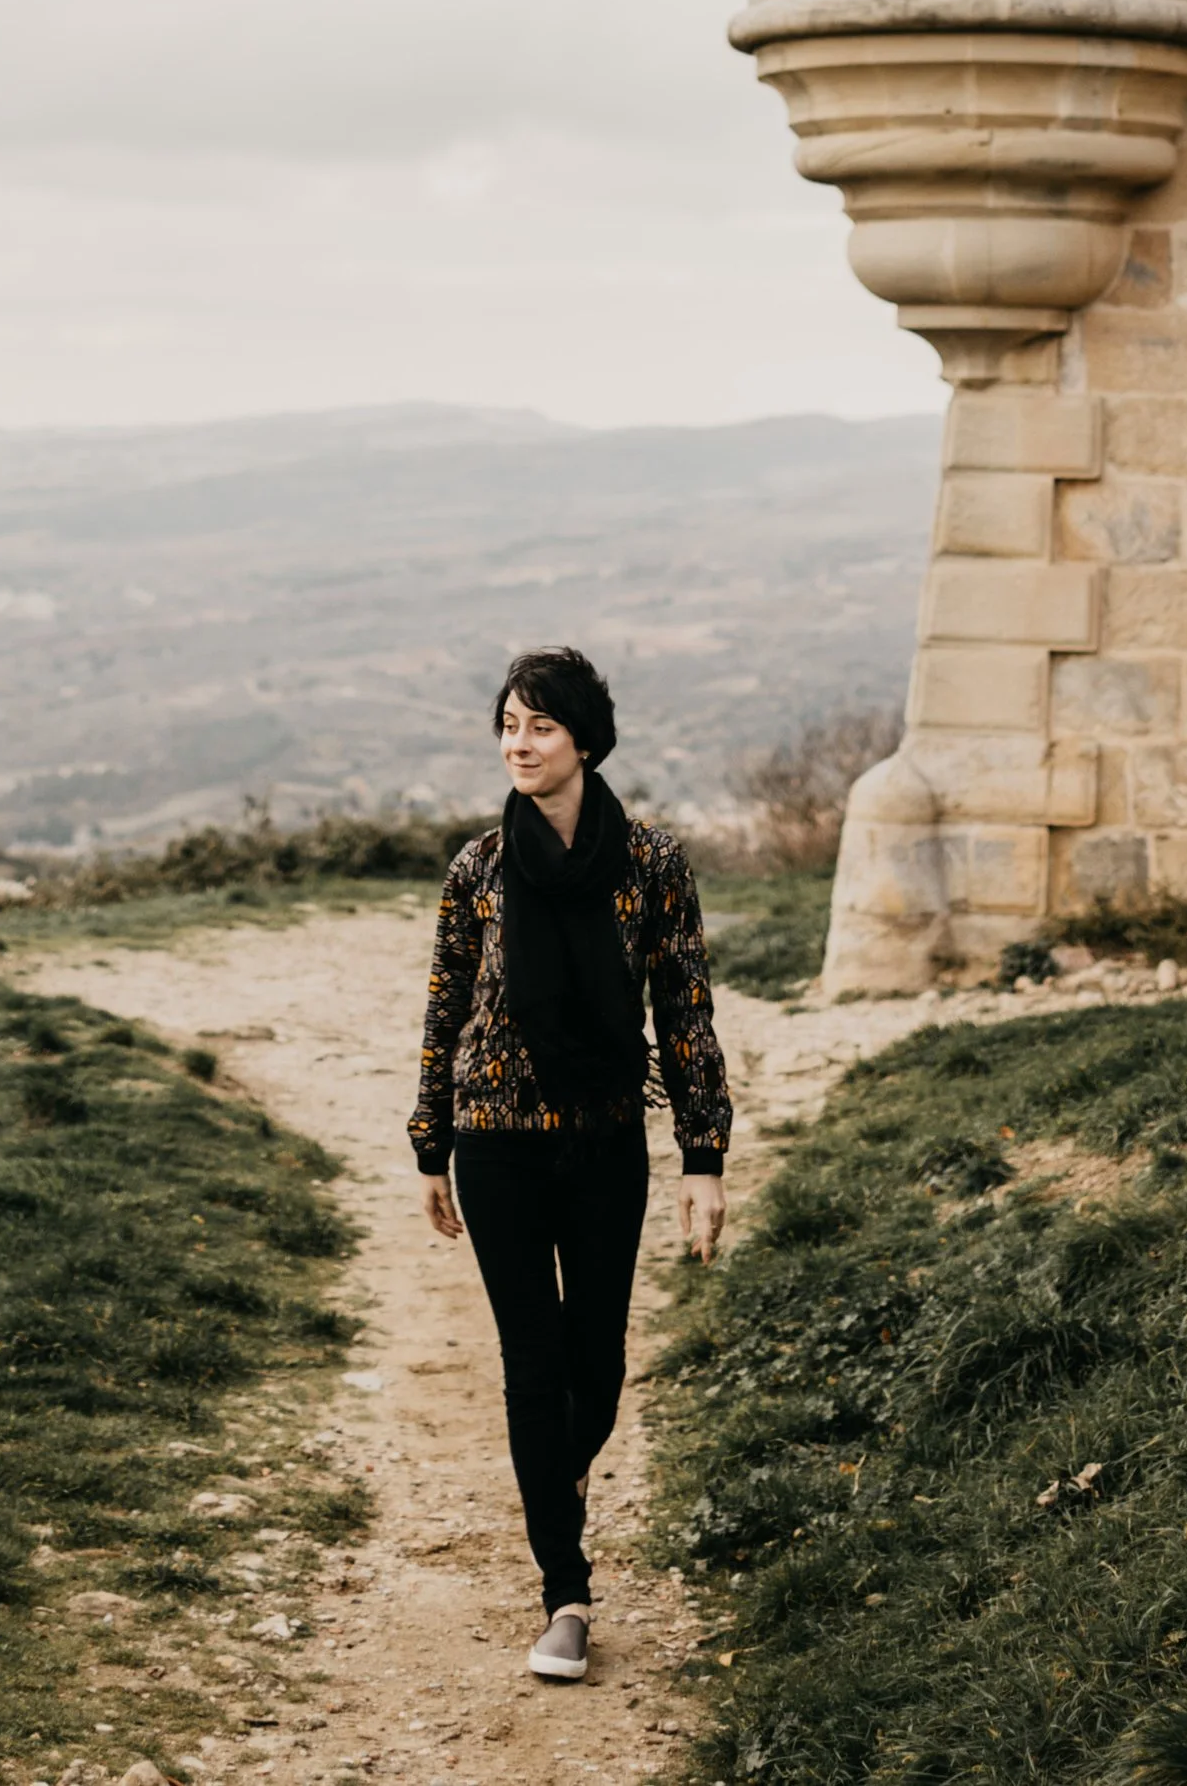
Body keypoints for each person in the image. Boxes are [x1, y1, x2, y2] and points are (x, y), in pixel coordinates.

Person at [408, 643, 731, 1685]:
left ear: (584, 738)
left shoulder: (652, 864)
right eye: (507, 723)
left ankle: (559, 1477)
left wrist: (702, 1155)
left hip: (603, 1140)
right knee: (530, 1363)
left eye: (539, 725)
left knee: (596, 1361)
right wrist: (430, 1144)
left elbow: (683, 1011)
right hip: (496, 1140)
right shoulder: (478, 870)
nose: (518, 742)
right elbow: (445, 1006)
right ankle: (566, 1592)